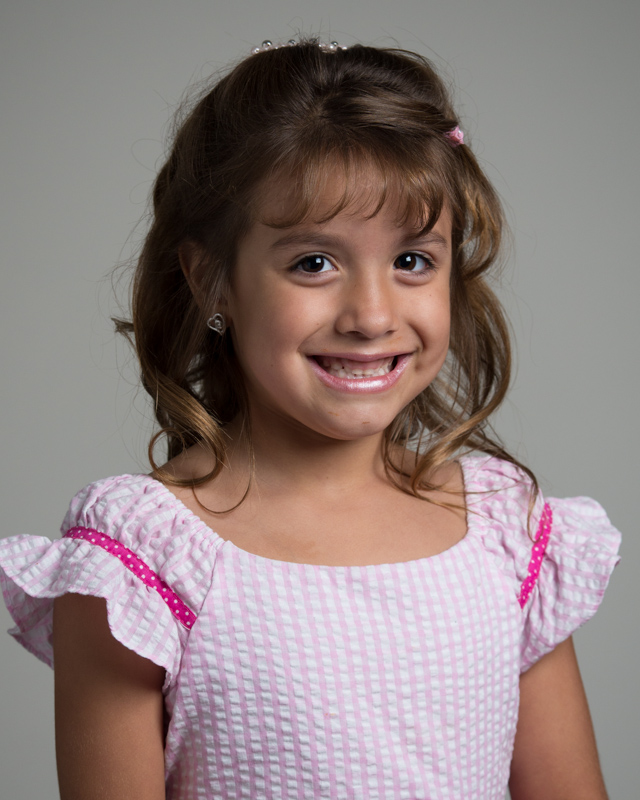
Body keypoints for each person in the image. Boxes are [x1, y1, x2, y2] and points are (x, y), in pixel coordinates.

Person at [0, 37, 621, 800]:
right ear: (212, 280)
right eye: (313, 263)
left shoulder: (503, 528)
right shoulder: (141, 559)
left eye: (413, 261)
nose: (372, 315)